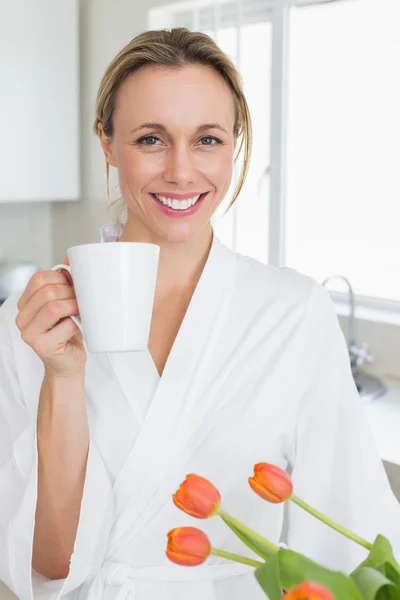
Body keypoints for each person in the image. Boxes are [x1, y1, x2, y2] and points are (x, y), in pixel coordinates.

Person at [0, 27, 399, 600]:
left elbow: (351, 533)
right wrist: (63, 377)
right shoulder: (33, 321)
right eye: (151, 139)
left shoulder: (293, 313)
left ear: (235, 145)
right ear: (108, 145)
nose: (183, 172)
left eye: (207, 139)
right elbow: (49, 562)